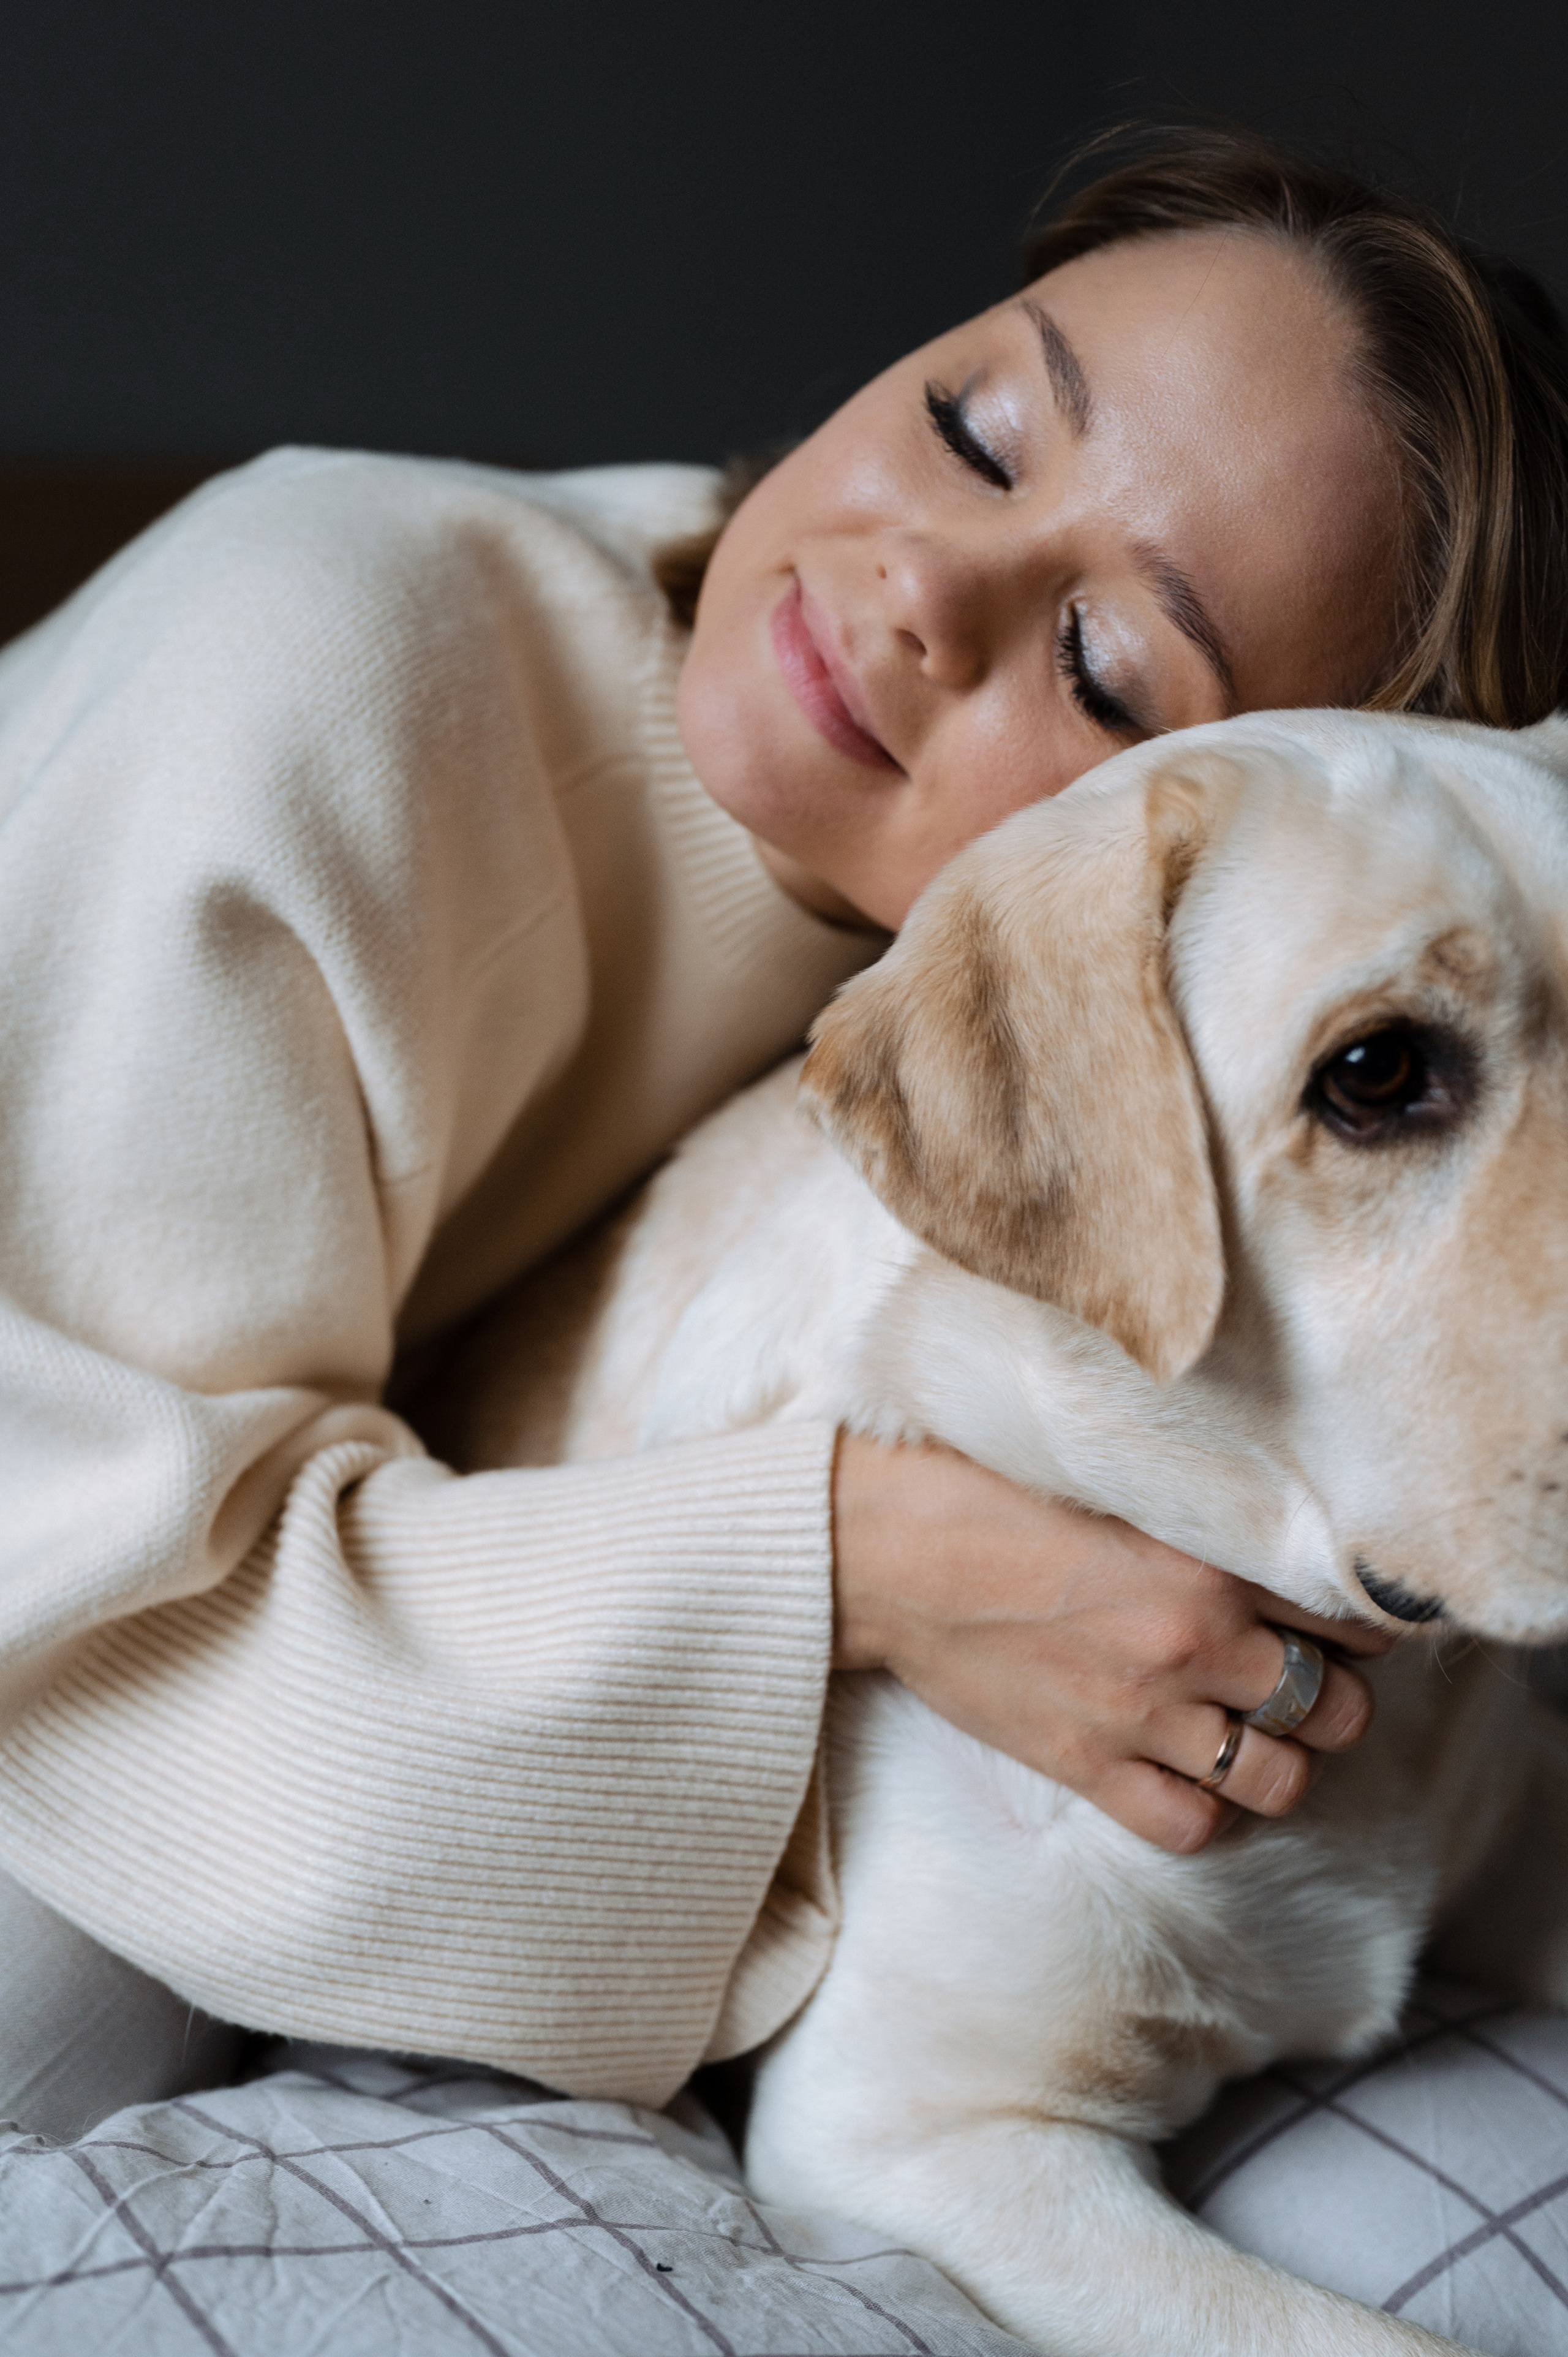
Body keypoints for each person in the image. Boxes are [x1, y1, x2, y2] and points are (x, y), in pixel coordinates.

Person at [2, 127, 1567, 2143]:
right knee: (56, 2013)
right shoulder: (314, 651)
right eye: (976, 428)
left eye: (1101, 669)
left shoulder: (1006, 998)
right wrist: (858, 1553)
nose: (922, 581)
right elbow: (80, 1598)